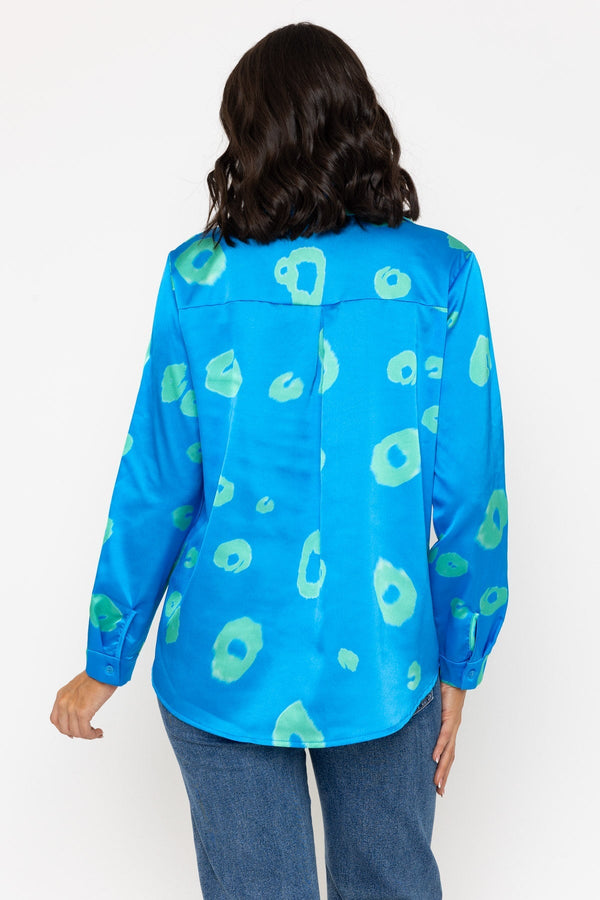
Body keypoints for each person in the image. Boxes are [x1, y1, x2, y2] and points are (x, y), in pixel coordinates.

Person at [50, 21, 509, 900]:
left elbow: (156, 483)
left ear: (248, 135)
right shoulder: (440, 274)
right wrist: (461, 661)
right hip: (386, 658)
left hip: (219, 662)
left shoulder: (197, 276)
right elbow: (471, 494)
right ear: (361, 121)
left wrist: (108, 656)